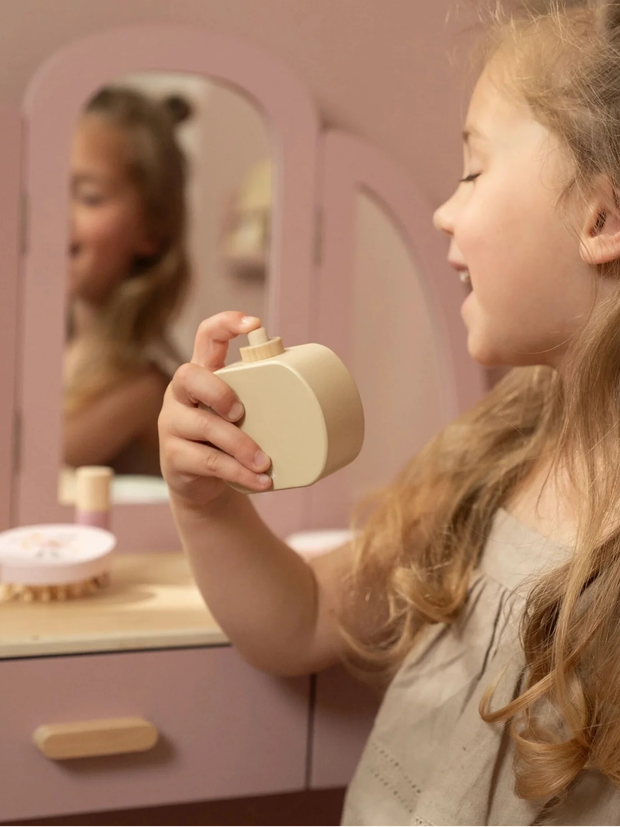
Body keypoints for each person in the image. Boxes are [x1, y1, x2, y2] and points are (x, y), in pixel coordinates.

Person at [157, 1, 620, 823]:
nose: (446, 209)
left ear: (604, 218)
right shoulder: (496, 453)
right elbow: (300, 620)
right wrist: (206, 503)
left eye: (473, 171)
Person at [65, 86, 191, 476]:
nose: (54, 214)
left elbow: (25, 464)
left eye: (88, 197)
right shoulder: (47, 358)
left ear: (151, 232)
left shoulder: (143, 390)